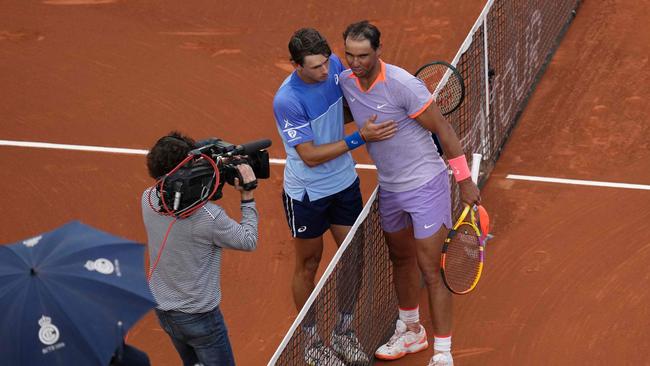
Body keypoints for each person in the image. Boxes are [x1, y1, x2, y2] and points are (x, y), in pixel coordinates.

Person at [339, 21, 481, 366]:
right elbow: (342, 114)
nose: (355, 62)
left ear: (378, 51)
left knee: (431, 269)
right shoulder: (346, 81)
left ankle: (443, 353)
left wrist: (464, 181)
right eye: (349, 55)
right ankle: (412, 330)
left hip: (426, 185)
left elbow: (443, 129)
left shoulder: (404, 85)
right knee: (400, 259)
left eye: (363, 55)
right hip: (390, 187)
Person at [272, 28, 397, 365]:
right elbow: (310, 155)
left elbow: (347, 106)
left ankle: (344, 330)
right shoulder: (288, 100)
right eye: (315, 67)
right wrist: (360, 138)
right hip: (307, 195)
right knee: (309, 263)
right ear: (296, 65)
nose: (325, 72)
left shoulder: (336, 66)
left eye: (327, 63)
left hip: (343, 183)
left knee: (352, 255)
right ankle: (312, 341)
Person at [140, 131, 259, 366]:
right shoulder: (208, 217)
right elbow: (248, 240)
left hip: (164, 311)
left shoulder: (148, 199)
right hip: (200, 319)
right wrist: (248, 196)